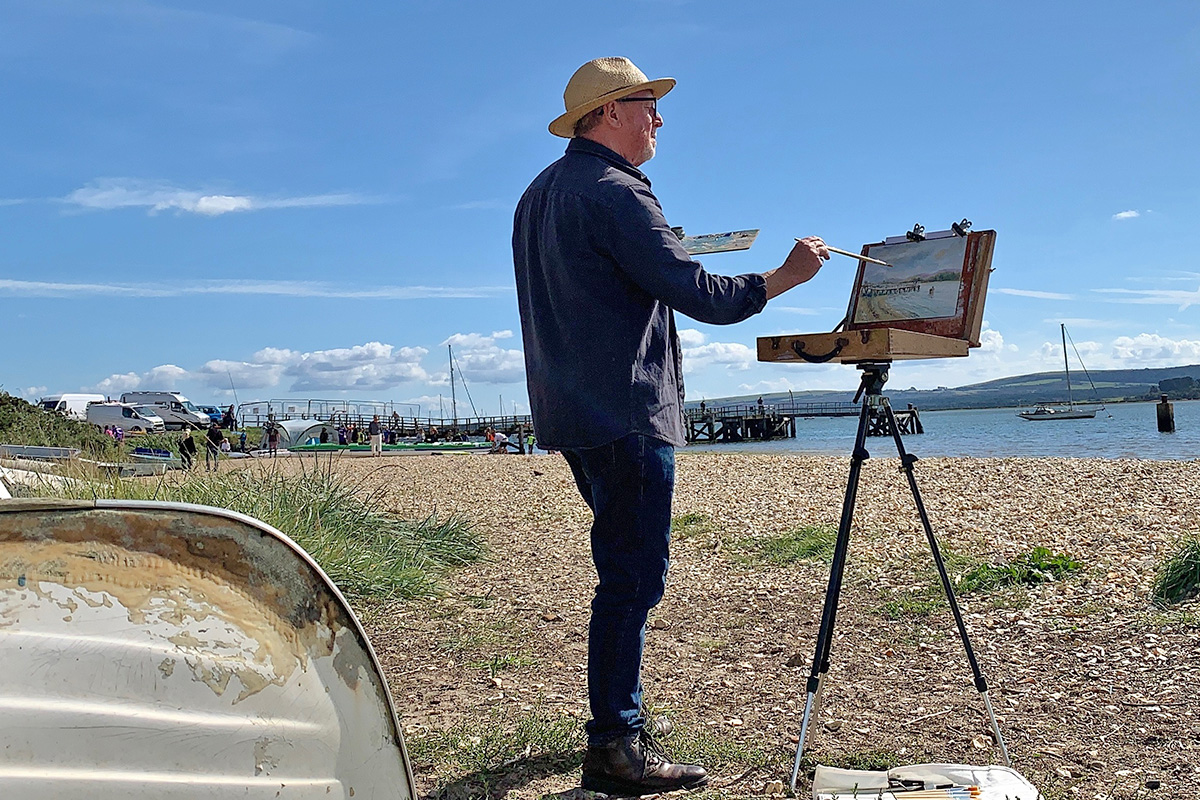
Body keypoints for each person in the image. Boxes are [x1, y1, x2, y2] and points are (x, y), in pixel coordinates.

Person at [512, 56, 828, 796]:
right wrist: (782, 279)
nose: (659, 119)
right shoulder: (617, 191)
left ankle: (617, 731)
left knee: (622, 571)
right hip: (625, 410)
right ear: (611, 111)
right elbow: (702, 295)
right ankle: (616, 747)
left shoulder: (542, 193)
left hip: (574, 411)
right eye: (649, 104)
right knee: (631, 579)